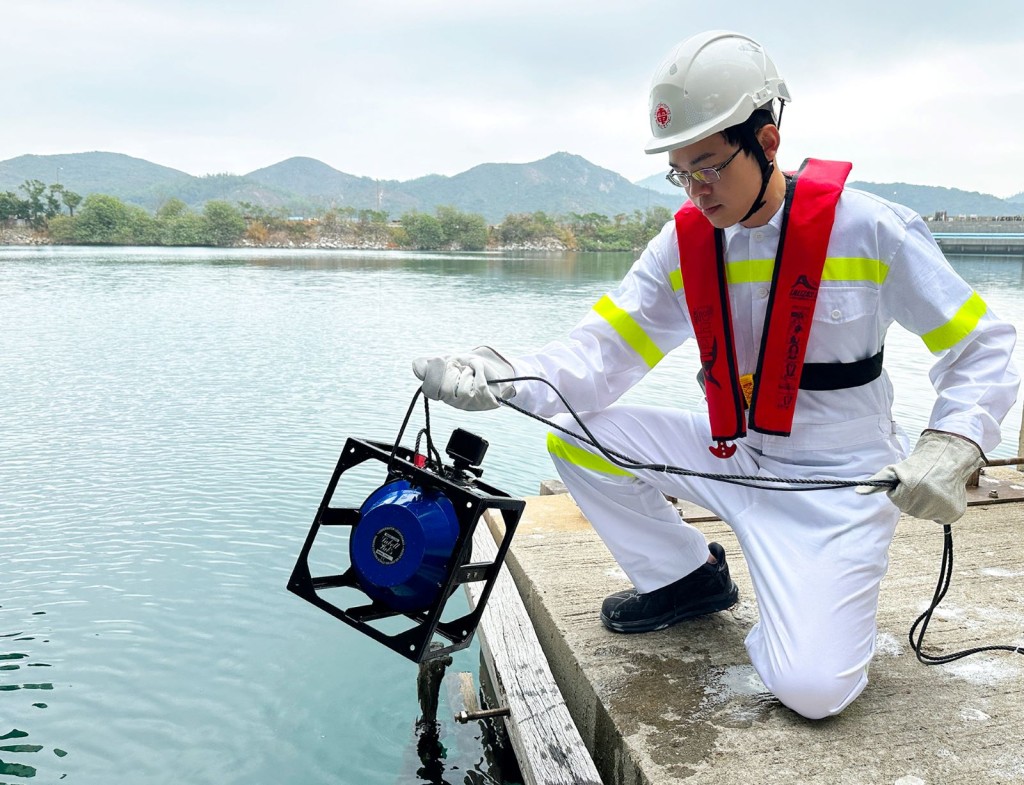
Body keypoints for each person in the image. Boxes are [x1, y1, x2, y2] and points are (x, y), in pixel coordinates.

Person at [412, 30, 1020, 720]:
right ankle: (686, 578)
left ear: (767, 142)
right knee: (578, 433)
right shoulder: (682, 245)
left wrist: (952, 443)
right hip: (734, 455)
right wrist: (500, 375)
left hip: (837, 485)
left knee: (814, 692)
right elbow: (596, 358)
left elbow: (984, 345)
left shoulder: (873, 229)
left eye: (709, 167)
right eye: (681, 173)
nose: (697, 191)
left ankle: (804, 605)